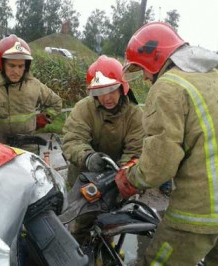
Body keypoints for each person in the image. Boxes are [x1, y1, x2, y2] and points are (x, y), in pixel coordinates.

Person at [116, 22, 218, 266]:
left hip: (202, 204)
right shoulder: (213, 76)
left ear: (155, 57)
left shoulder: (167, 87)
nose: (143, 76)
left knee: (157, 261)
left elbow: (159, 165)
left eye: (142, 68)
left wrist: (131, 178)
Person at [62, 55, 145, 243]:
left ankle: (104, 254)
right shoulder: (83, 109)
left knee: (108, 225)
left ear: (122, 87)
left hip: (116, 179)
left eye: (111, 89)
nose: (107, 97)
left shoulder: (135, 115)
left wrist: (122, 177)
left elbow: (135, 151)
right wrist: (88, 157)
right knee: (78, 226)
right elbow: (73, 139)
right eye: (100, 91)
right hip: (82, 179)